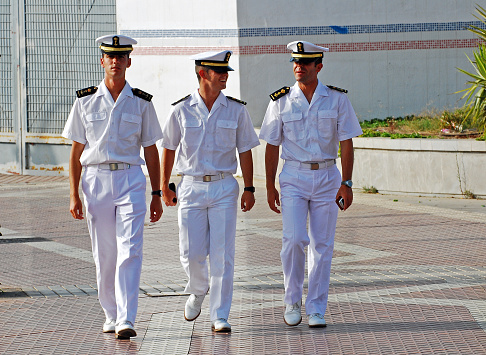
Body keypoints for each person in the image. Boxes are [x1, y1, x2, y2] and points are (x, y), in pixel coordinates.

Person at [62, 34, 163, 339]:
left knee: (130, 249)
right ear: (102, 61)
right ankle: (111, 312)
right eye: (111, 57)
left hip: (131, 179)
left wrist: (157, 193)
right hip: (96, 181)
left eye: (121, 57)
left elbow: (151, 149)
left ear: (129, 62)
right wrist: (73, 193)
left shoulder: (142, 102)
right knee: (105, 253)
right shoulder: (85, 100)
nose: (116, 62)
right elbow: (77, 152)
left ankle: (127, 318)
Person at [259, 40, 362, 328]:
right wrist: (269, 185)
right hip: (293, 176)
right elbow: (271, 145)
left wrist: (347, 182)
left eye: (305, 63)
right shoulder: (280, 101)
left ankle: (316, 308)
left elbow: (346, 142)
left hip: (328, 177)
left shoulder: (337, 99)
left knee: (322, 245)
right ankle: (292, 300)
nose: (298, 67)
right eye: (295, 62)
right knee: (293, 240)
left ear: (319, 66)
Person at [160, 50, 260, 332]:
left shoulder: (237, 109)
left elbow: (245, 150)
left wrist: (250, 188)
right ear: (203, 73)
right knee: (190, 251)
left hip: (224, 186)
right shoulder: (180, 109)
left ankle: (220, 314)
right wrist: (163, 185)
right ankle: (198, 288)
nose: (225, 76)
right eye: (220, 72)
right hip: (190, 186)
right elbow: (168, 147)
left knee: (223, 253)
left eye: (226, 71)